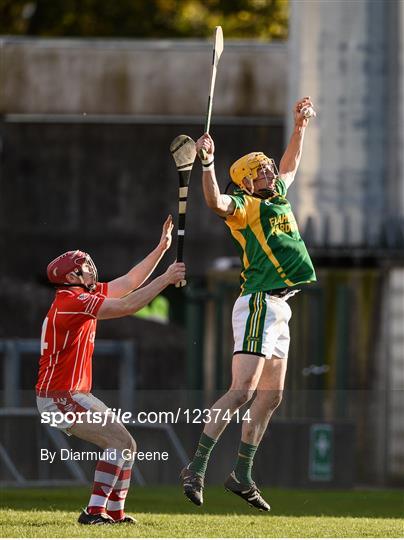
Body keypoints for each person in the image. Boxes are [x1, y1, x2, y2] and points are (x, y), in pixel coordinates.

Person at [180, 97, 317, 511]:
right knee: (241, 392)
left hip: (281, 308)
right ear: (245, 181)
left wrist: (299, 127)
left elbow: (290, 164)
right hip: (259, 302)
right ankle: (197, 467)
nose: (270, 171)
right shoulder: (246, 206)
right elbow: (215, 202)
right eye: (261, 170)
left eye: (268, 167)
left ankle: (241, 474)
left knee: (271, 398)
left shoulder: (277, 196)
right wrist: (208, 164)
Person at [36, 215, 185, 525]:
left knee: (128, 445)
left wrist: (161, 248)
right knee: (118, 443)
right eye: (85, 266)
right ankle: (93, 512)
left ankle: (115, 513)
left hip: (71, 394)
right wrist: (166, 279)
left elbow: (128, 283)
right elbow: (128, 306)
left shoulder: (78, 296)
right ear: (73, 275)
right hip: (60, 396)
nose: (92, 268)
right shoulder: (72, 302)